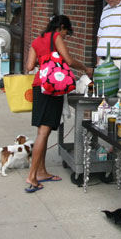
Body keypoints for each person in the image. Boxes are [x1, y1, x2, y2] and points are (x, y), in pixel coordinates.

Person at [24, 15, 92, 193]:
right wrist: (86, 68)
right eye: (66, 32)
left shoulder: (37, 41)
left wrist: (44, 61)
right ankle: (32, 176)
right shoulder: (56, 37)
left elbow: (30, 66)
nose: (65, 36)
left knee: (42, 131)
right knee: (44, 132)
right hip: (52, 88)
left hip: (39, 87)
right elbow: (69, 61)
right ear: (61, 27)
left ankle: (41, 171)